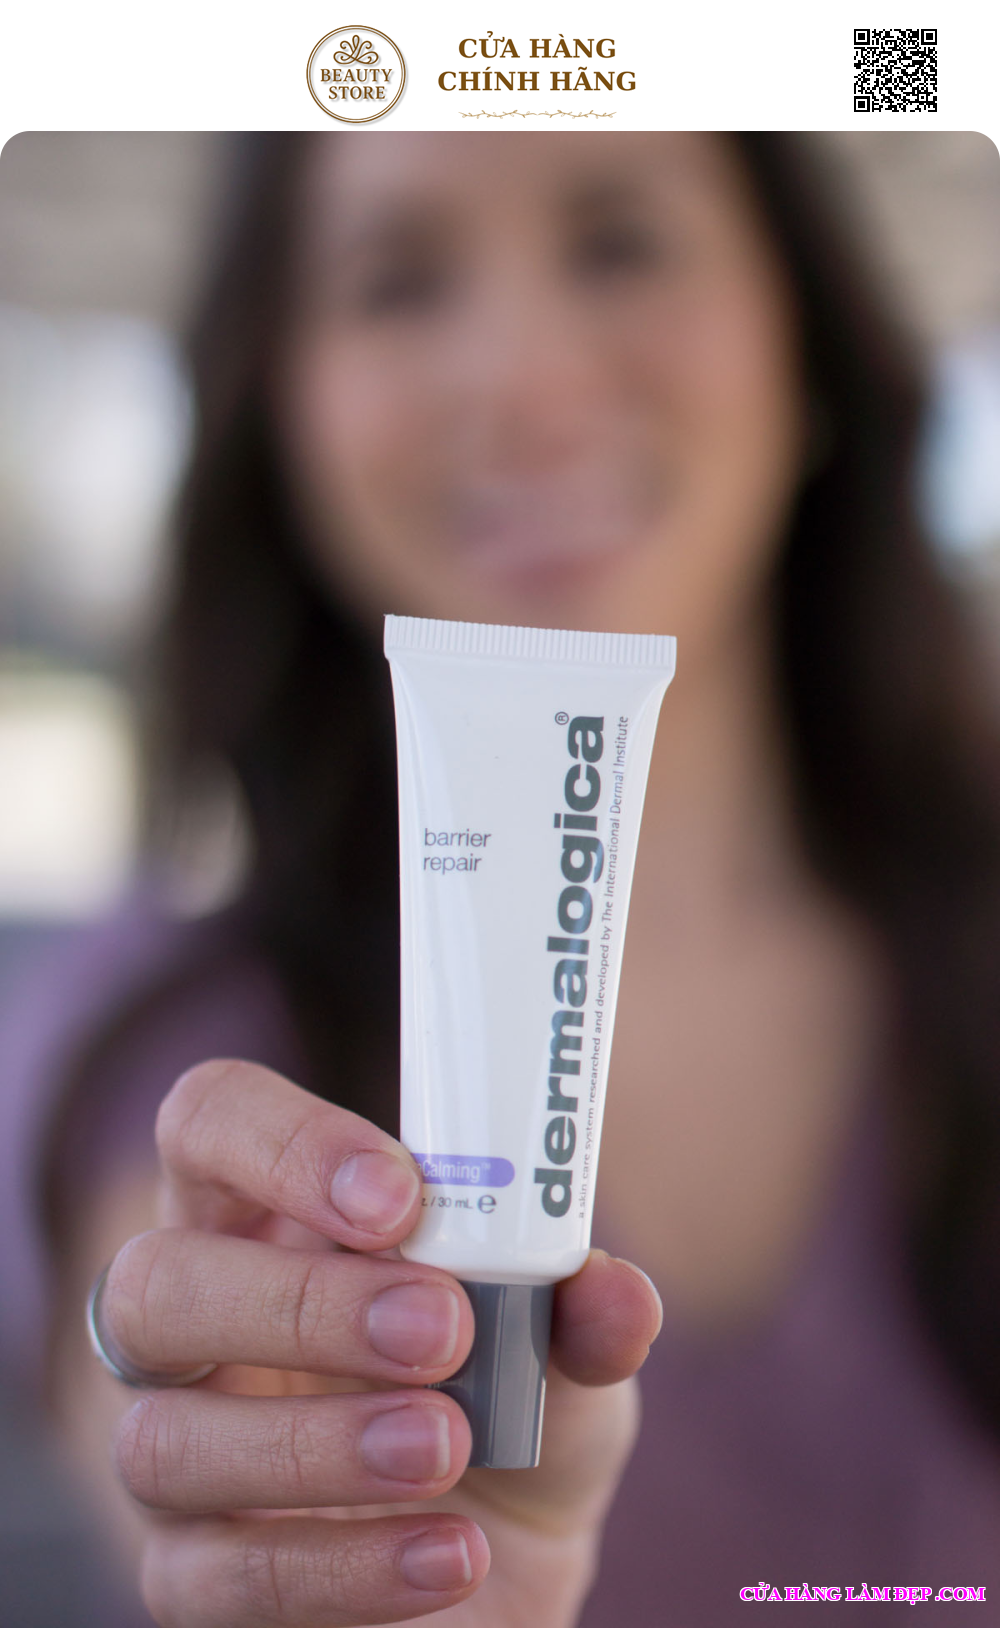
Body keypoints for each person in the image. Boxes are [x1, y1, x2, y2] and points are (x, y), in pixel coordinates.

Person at [8, 130, 1000, 1626]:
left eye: (619, 242)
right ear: (283, 408)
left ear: (802, 338)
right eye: (399, 282)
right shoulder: (164, 1075)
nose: (525, 378)